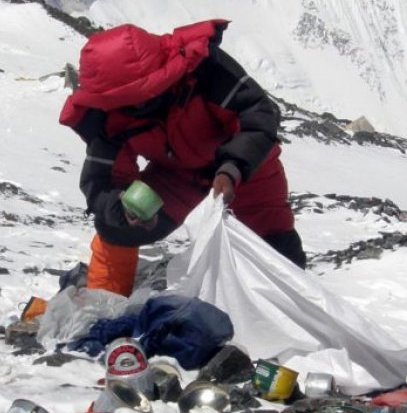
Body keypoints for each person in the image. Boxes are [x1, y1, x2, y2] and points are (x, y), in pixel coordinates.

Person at [59, 19, 306, 296]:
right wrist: (122, 209)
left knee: (275, 250)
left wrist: (232, 169)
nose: (135, 107)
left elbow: (256, 118)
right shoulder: (110, 114)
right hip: (175, 176)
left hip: (244, 167)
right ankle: (104, 303)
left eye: (140, 97)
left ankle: (289, 308)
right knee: (115, 229)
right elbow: (103, 180)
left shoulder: (203, 70)